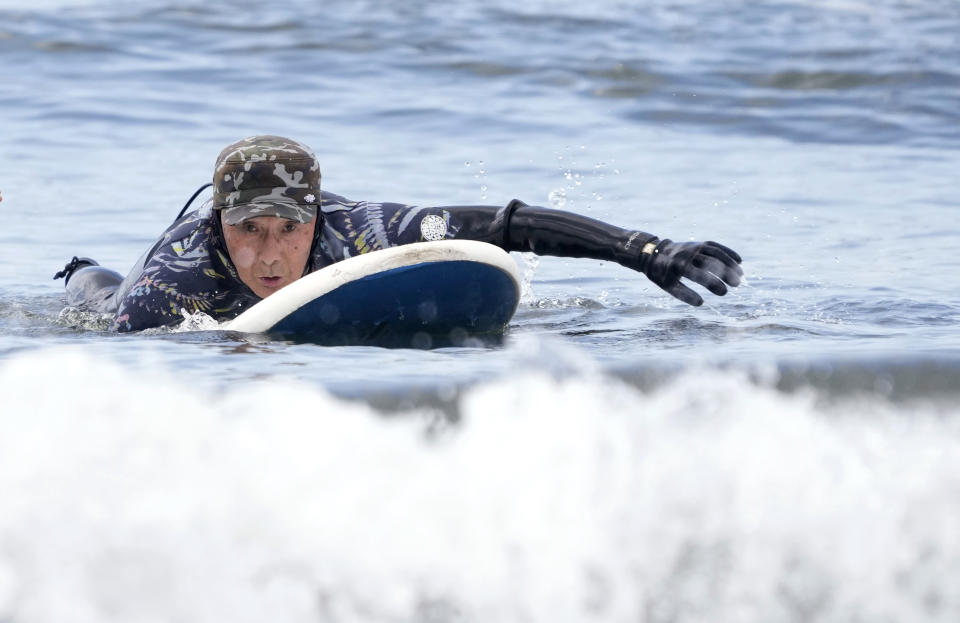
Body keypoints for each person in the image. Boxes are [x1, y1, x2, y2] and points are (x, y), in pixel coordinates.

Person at [55, 135, 743, 333]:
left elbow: (508, 226)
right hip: (135, 287)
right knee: (100, 299)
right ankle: (82, 266)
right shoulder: (176, 280)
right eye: (248, 230)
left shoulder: (362, 231)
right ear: (219, 223)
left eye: (288, 229)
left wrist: (645, 251)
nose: (268, 253)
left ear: (317, 219)